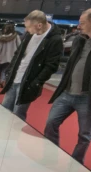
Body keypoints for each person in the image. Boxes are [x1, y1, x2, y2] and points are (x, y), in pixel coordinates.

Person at [44, 8, 91, 162]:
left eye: (82, 22)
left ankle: (76, 162)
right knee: (51, 123)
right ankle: (50, 157)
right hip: (67, 92)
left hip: (86, 97)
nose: (79, 26)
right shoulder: (78, 39)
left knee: (84, 134)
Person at [0, 10, 64, 121]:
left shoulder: (54, 39)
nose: (26, 30)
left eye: (29, 27)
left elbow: (51, 66)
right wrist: (9, 71)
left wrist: (36, 83)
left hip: (28, 83)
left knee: (17, 117)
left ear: (39, 25)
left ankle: (13, 138)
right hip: (14, 78)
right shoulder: (29, 35)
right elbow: (18, 55)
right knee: (4, 112)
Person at [0, 23, 21, 88]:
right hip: (11, 57)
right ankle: (2, 80)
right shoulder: (16, 37)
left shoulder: (2, 37)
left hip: (1, 56)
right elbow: (19, 46)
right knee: (5, 70)